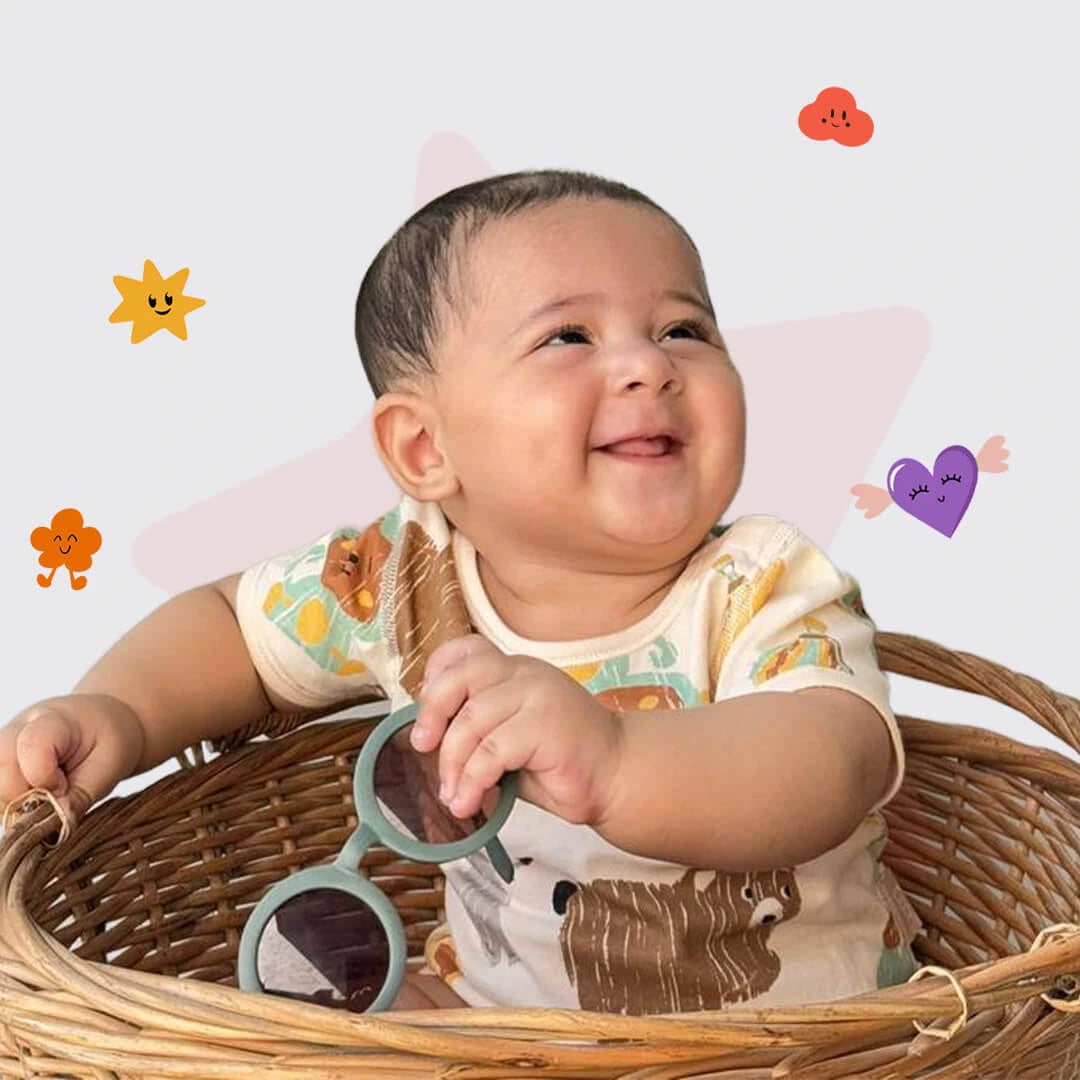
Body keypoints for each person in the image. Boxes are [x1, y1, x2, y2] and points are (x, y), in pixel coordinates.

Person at [0, 170, 921, 1013]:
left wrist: (618, 761)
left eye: (685, 327)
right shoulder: (404, 574)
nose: (651, 364)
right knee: (320, 1036)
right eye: (569, 336)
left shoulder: (760, 581)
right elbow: (230, 629)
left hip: (795, 1039)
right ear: (425, 451)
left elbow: (831, 762)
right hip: (495, 1025)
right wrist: (117, 708)